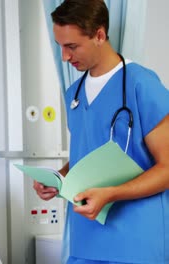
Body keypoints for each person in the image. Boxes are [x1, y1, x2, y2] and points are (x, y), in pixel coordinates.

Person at [33, 0, 169, 263]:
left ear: (99, 35)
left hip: (136, 242)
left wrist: (111, 193)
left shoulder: (141, 84)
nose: (65, 56)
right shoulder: (74, 95)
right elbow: (89, 152)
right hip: (86, 241)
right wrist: (59, 178)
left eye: (71, 46)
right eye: (60, 46)